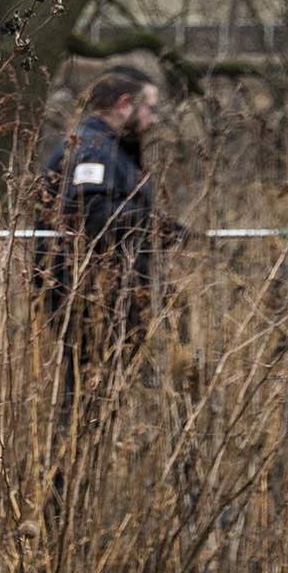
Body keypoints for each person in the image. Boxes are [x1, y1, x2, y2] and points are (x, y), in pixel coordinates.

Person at [33, 64, 185, 410]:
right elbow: (91, 214)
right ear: (124, 104)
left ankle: (88, 457)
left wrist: (160, 227)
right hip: (87, 293)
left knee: (105, 391)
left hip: (104, 291)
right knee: (90, 395)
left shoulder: (110, 148)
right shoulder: (94, 148)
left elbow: (114, 210)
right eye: (149, 108)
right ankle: (76, 460)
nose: (153, 119)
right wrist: (153, 227)